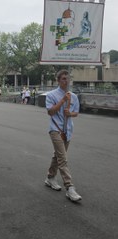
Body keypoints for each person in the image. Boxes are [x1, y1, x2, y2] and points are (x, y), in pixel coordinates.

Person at [44, 69, 82, 202]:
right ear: (58, 81)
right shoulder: (51, 95)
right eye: (63, 79)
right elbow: (50, 112)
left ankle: (50, 177)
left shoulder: (74, 96)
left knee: (58, 155)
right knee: (63, 158)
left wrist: (70, 114)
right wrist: (62, 101)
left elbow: (76, 112)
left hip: (68, 131)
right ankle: (70, 187)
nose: (66, 81)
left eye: (67, 78)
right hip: (55, 129)